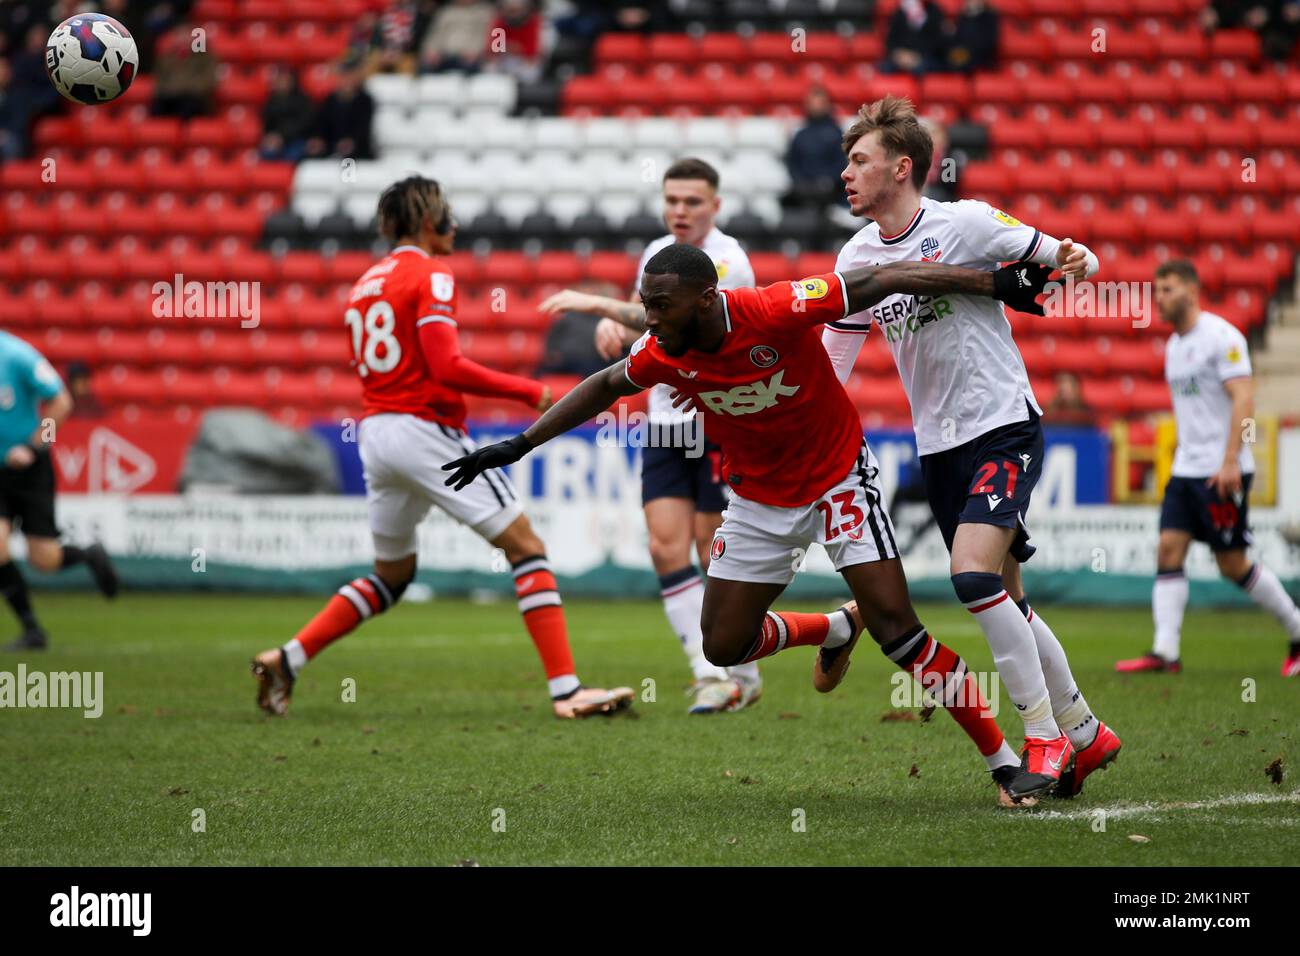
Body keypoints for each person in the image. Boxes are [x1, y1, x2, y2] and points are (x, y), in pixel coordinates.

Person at [446, 243, 1064, 806]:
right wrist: (518, 445)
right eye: (645, 306)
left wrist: (993, 281)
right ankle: (831, 628)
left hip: (837, 481)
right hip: (758, 502)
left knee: (899, 630)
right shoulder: (665, 350)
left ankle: (1005, 763)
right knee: (722, 646)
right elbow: (606, 384)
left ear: (706, 299)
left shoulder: (774, 308)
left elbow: (886, 275)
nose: (652, 320)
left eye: (662, 306)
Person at [823, 96, 1120, 800]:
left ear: (902, 167)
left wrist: (1069, 263)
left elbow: (1083, 262)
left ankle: (1043, 738)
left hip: (1002, 427)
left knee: (972, 577)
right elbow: (835, 360)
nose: (846, 174)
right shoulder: (857, 256)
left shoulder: (969, 224)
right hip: (938, 447)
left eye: (859, 161)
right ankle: (1085, 732)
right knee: (1006, 598)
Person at [250, 176, 634, 719]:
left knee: (392, 575)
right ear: (430, 221)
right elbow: (445, 365)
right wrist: (532, 391)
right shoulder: (431, 272)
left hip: (376, 434)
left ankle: (287, 658)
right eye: (447, 214)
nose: (454, 223)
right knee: (526, 547)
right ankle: (567, 691)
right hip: (421, 429)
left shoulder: (364, 284)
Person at [537, 159, 761, 714]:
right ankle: (708, 672)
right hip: (664, 420)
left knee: (714, 550)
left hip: (714, 419)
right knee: (665, 545)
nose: (680, 211)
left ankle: (745, 668)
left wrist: (598, 306)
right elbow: (654, 319)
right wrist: (625, 324)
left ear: (716, 205)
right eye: (672, 200)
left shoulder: (728, 261)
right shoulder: (656, 253)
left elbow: (688, 327)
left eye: (692, 201)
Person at [1116, 261, 1300, 677]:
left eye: (1168, 288)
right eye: (1156, 289)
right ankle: (1166, 652)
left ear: (1192, 290)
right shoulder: (1174, 347)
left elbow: (1244, 399)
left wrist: (1233, 458)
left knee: (1232, 564)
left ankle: (1297, 630)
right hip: (1186, 470)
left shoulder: (1222, 338)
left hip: (1222, 470)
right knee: (1168, 549)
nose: (1159, 297)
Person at [0, 332, 118, 651]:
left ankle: (88, 554)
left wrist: (35, 445)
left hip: (29, 468)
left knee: (44, 559)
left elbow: (62, 402)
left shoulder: (17, 355)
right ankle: (32, 629)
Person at [784, 86, 848, 211]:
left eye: (820, 103)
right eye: (812, 103)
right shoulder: (800, 135)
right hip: (803, 192)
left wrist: (828, 182)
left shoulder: (837, 134)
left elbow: (841, 164)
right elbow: (792, 163)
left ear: (828, 105)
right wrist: (801, 183)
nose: (816, 107)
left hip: (833, 194)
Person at [259, 67, 315, 164]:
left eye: (285, 80)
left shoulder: (302, 100)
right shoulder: (271, 101)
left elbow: (304, 124)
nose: (282, 83)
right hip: (276, 141)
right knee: (267, 153)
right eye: (279, 80)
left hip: (297, 140)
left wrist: (282, 137)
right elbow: (267, 124)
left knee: (292, 157)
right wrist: (271, 138)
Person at [881, 0, 947, 75]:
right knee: (885, 68)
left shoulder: (934, 11)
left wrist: (916, 56)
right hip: (901, 56)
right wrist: (899, 54)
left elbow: (937, 41)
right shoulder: (900, 11)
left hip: (925, 57)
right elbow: (891, 40)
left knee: (921, 69)